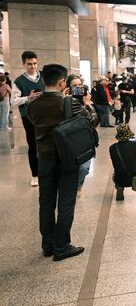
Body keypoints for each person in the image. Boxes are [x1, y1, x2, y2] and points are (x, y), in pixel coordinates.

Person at [27, 64, 98, 261]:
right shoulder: (69, 103)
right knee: (66, 202)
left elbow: (33, 123)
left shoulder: (33, 104)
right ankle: (62, 246)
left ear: (43, 81)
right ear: (61, 82)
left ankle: (48, 244)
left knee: (46, 202)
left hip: (44, 159)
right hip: (67, 159)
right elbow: (92, 121)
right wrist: (87, 103)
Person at [11, 51, 45, 186]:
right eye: (29, 64)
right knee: (33, 145)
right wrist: (28, 98)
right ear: (23, 64)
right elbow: (13, 102)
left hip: (46, 115)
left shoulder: (43, 76)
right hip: (29, 117)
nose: (33, 66)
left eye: (35, 63)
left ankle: (47, 173)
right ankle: (35, 175)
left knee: (47, 144)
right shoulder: (19, 81)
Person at [109, 123, 136, 201]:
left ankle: (120, 187)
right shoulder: (135, 144)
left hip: (119, 179)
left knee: (118, 167)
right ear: (129, 132)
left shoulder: (112, 148)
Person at [66, 74, 92, 191]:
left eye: (79, 85)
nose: (78, 88)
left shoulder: (86, 98)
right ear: (68, 88)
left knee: (85, 168)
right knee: (73, 167)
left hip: (85, 139)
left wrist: (88, 104)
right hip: (71, 139)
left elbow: (94, 121)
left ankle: (78, 185)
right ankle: (73, 187)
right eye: (74, 86)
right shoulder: (65, 101)